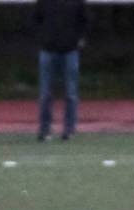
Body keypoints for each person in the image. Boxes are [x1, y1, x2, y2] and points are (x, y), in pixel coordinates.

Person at [33, 0, 87, 141]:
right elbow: (36, 19)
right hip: (48, 49)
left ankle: (69, 129)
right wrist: (42, 38)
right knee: (45, 93)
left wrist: (79, 39)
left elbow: (83, 20)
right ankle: (45, 129)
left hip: (70, 50)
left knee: (71, 93)